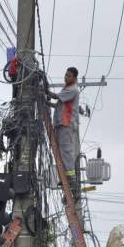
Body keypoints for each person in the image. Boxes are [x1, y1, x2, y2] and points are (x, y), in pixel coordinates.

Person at [49, 66, 81, 195]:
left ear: (74, 78)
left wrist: (44, 90)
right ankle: (65, 178)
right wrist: (47, 103)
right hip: (60, 124)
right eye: (65, 75)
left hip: (66, 124)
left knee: (66, 151)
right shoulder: (67, 89)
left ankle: (71, 179)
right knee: (60, 152)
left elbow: (56, 97)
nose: (66, 77)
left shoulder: (73, 89)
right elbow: (58, 105)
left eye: (69, 75)